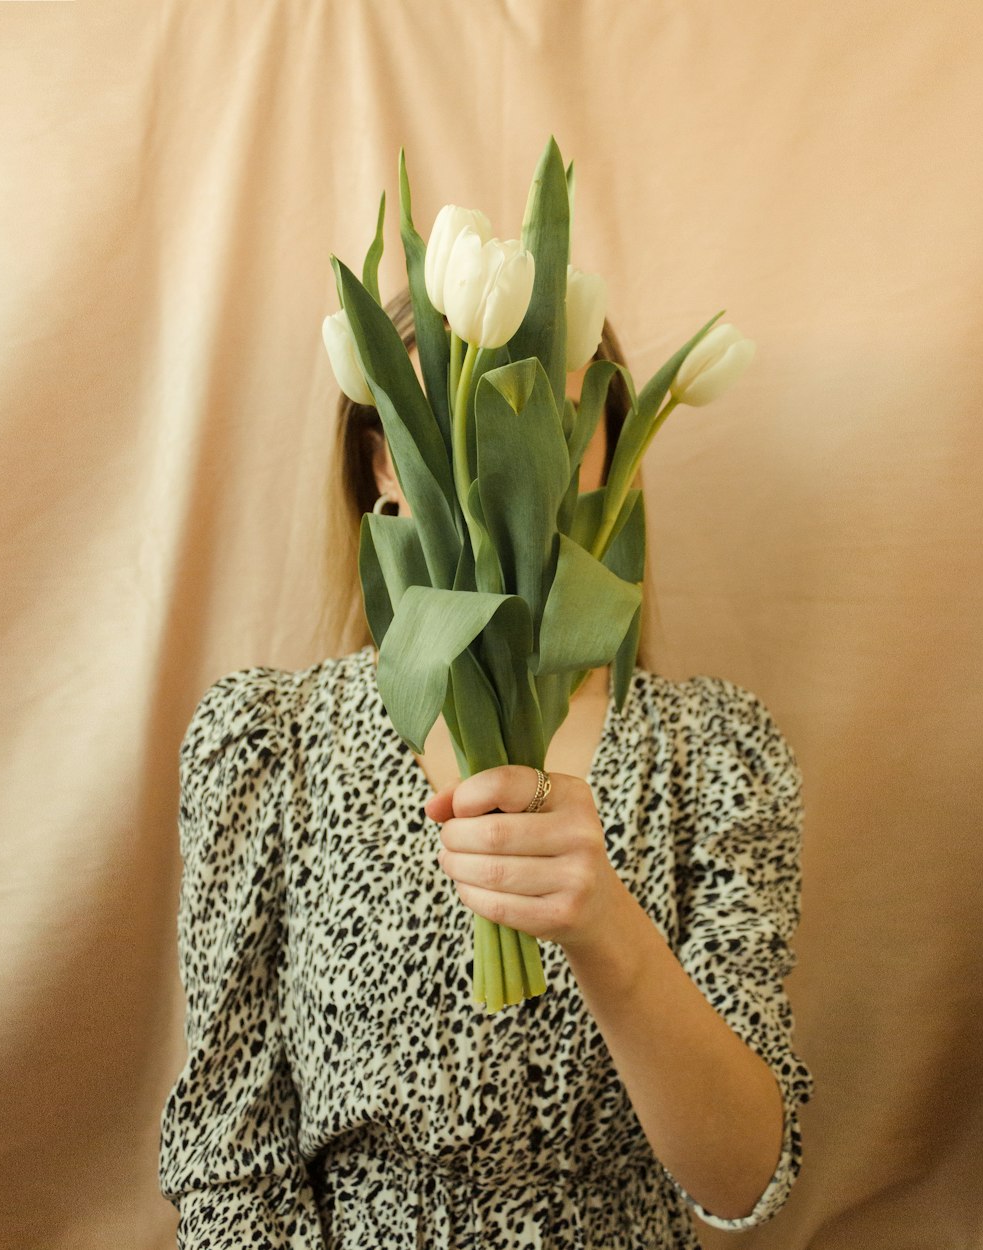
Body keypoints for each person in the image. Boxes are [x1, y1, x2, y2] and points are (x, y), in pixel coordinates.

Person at [158, 291, 814, 1249]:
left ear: (613, 455)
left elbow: (746, 1176)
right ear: (384, 459)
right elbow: (229, 1167)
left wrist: (608, 933)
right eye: (450, 419)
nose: (513, 458)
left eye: (557, 415)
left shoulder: (714, 755)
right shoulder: (273, 744)